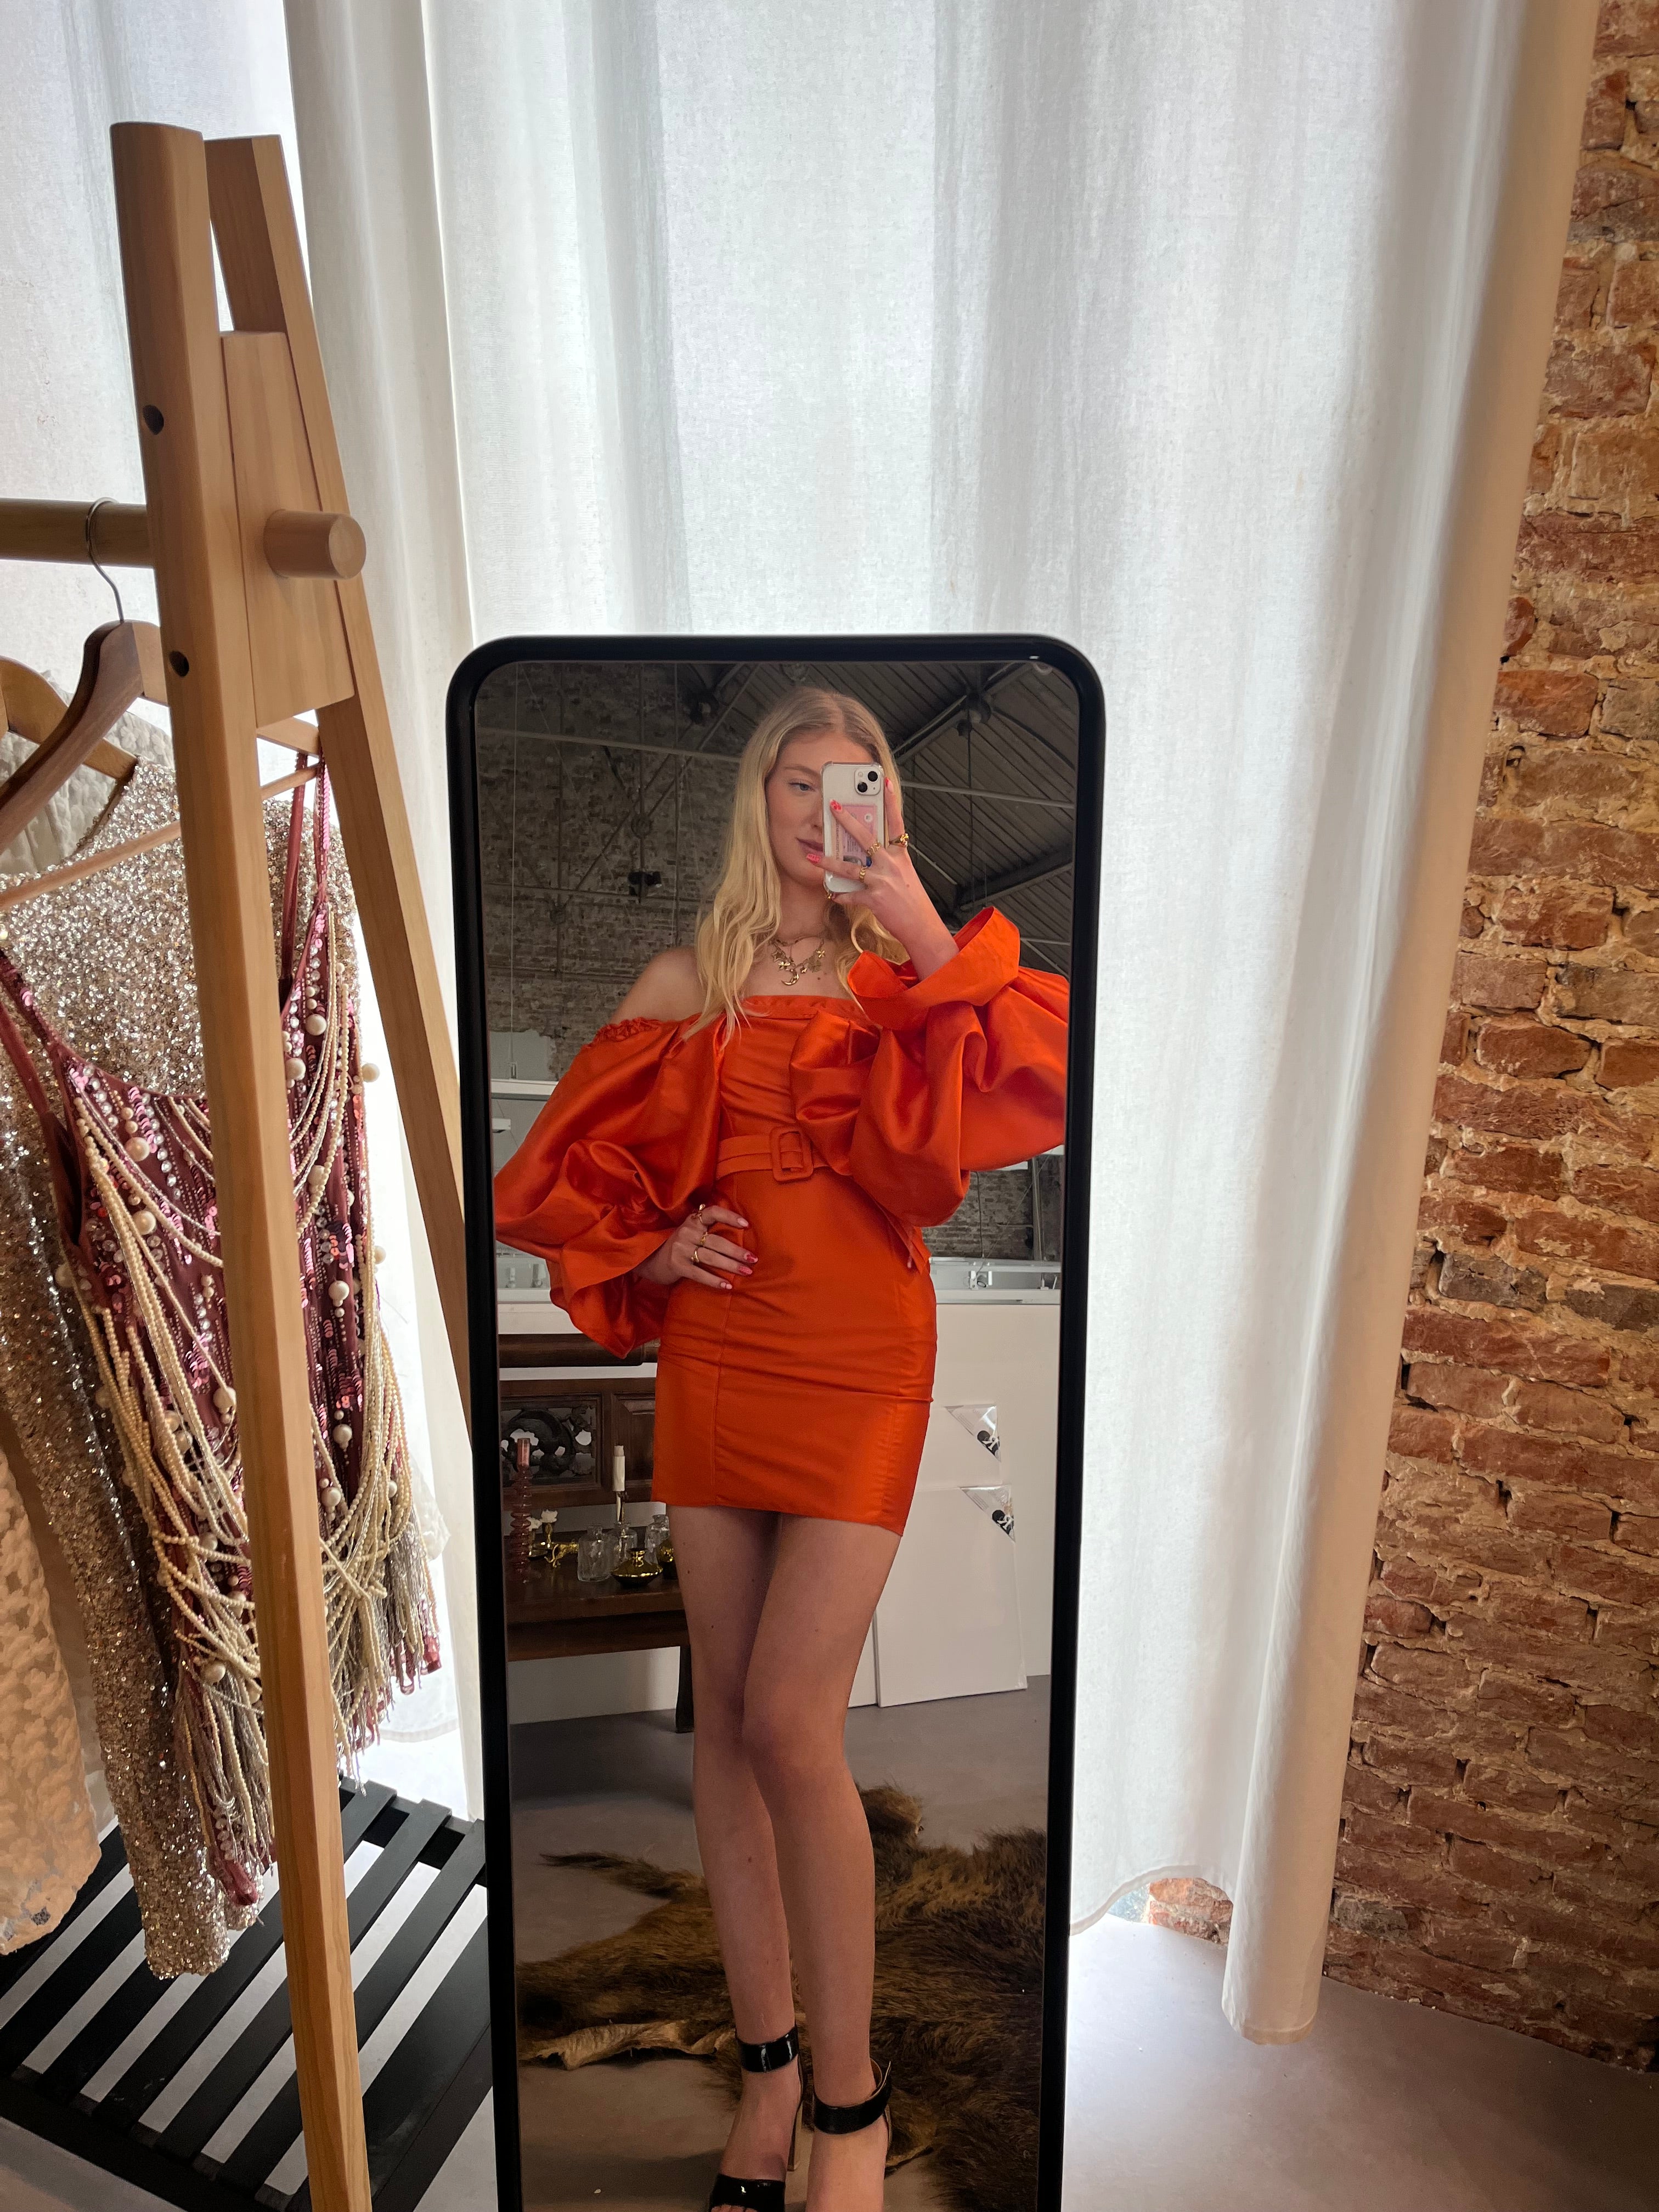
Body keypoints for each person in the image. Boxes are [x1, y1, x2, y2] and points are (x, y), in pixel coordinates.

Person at [494, 687, 1069, 2212]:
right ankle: (763, 2077)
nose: (827, 811)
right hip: (720, 1355)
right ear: (759, 803)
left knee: (793, 1723)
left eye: (856, 783)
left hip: (865, 1356)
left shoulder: (908, 978)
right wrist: (650, 1246)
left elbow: (1053, 1066)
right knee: (728, 1732)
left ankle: (850, 2101)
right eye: (800, 784)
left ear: (889, 808)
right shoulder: (689, 976)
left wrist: (925, 924)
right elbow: (554, 1169)